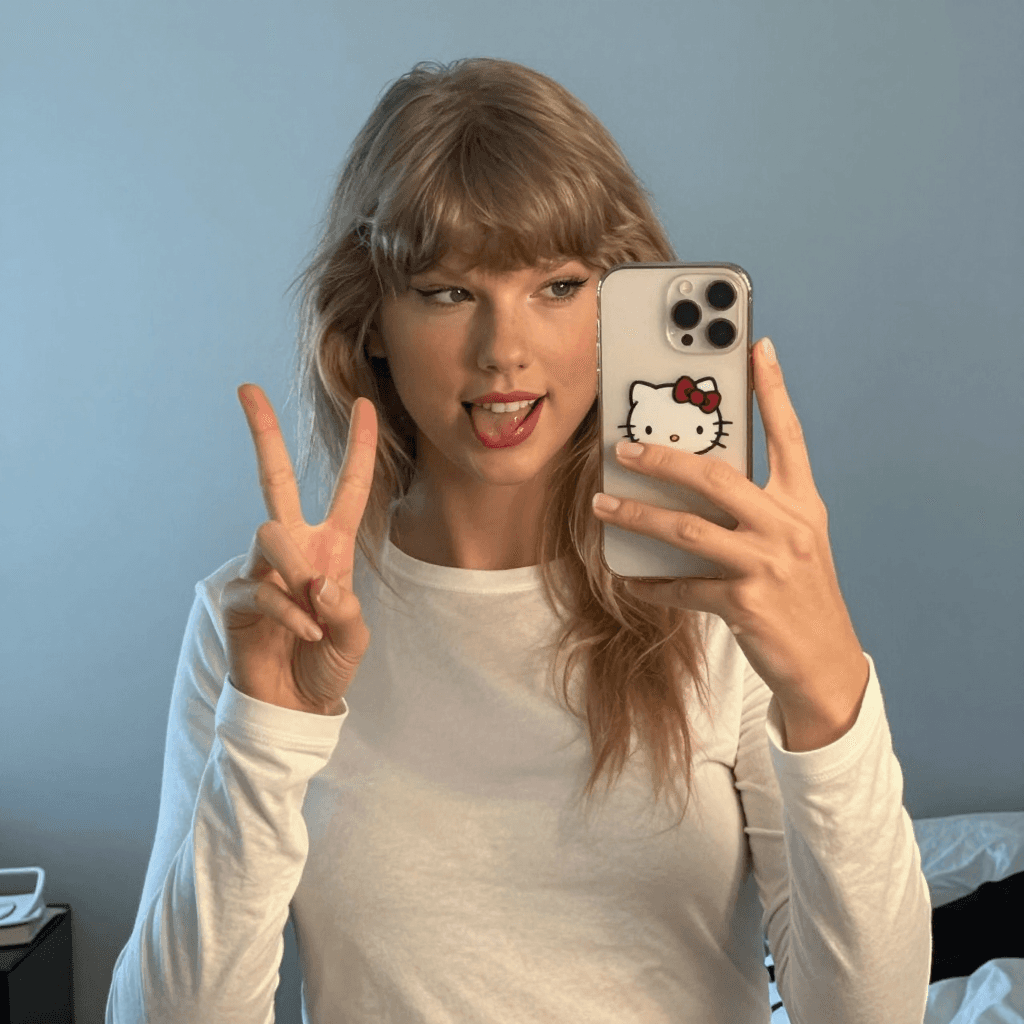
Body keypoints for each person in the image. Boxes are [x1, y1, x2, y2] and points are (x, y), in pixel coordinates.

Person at [106, 57, 932, 1023]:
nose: (505, 349)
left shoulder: (720, 607)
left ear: (614, 310)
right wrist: (267, 734)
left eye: (559, 285)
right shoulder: (260, 627)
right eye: (447, 292)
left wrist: (829, 687)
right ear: (372, 323)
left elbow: (870, 1014)